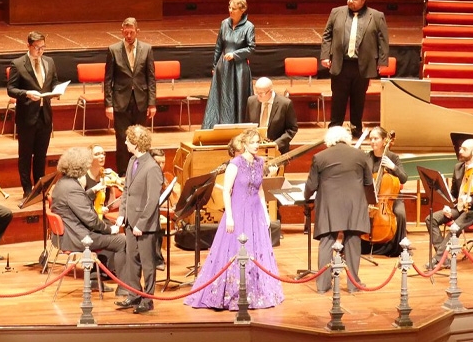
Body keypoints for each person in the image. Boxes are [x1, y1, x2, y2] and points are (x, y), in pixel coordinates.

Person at [185, 128, 284, 310]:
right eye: (253, 142)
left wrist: (266, 213)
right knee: (235, 250)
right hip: (238, 211)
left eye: (258, 142)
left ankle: (256, 291)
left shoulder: (260, 162)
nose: (256, 146)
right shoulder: (234, 164)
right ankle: (232, 292)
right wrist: (229, 216)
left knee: (256, 249)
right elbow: (226, 191)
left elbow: (260, 190)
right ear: (245, 144)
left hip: (255, 211)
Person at [51, 146, 128, 294]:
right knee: (121, 240)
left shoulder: (63, 183)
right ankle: (124, 288)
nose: (88, 166)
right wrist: (110, 229)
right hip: (77, 237)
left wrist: (92, 191)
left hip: (69, 234)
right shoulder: (72, 188)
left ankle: (94, 278)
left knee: (109, 234)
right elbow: (91, 220)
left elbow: (80, 203)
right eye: (86, 164)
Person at [305, 126, 372, 293]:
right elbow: (368, 182)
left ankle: (322, 286)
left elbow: (312, 185)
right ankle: (353, 285)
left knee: (327, 242)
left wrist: (306, 196)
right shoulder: (361, 155)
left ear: (329, 140)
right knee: (353, 242)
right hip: (354, 204)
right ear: (346, 138)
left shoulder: (319, 157)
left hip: (329, 205)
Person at [320, 0, 389, 139]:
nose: (349, 0)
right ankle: (335, 129)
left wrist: (383, 61)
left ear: (363, 0)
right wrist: (325, 55)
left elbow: (383, 40)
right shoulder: (336, 12)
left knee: (358, 98)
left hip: (362, 65)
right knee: (338, 98)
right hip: (341, 63)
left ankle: (356, 128)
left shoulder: (376, 16)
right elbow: (327, 35)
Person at [115, 125, 165, 314]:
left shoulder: (152, 167)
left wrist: (141, 224)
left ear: (135, 143)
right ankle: (134, 294)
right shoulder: (131, 162)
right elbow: (127, 190)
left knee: (147, 263)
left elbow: (153, 200)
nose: (125, 142)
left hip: (145, 225)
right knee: (132, 260)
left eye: (128, 140)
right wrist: (122, 215)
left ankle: (148, 299)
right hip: (130, 222)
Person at [426, 138, 473, 267]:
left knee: (455, 227)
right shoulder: (458, 167)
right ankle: (443, 258)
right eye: (460, 148)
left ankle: (438, 259)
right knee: (431, 219)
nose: (460, 151)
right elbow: (453, 192)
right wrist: (448, 205)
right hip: (459, 208)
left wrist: (470, 199)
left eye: (464, 149)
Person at [8, 31, 59, 196]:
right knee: (25, 156)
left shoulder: (49, 62)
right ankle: (27, 189)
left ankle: (39, 187)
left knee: (41, 155)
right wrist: (26, 94)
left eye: (43, 47)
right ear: (29, 46)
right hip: (27, 117)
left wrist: (57, 91)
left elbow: (54, 82)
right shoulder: (18, 64)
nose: (40, 51)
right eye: (37, 48)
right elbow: (11, 89)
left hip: (45, 116)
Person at [105, 17, 156, 174]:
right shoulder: (113, 50)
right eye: (126, 32)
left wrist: (152, 103)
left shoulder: (147, 49)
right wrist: (108, 104)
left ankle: (140, 172)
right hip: (120, 101)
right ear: (122, 31)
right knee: (122, 140)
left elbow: (151, 78)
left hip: (141, 100)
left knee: (140, 139)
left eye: (131, 32)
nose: (128, 36)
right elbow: (108, 80)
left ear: (137, 32)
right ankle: (122, 174)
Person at [201, 0, 255, 128]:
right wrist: (215, 66)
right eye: (229, 7)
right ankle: (219, 126)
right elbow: (219, 46)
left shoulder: (249, 27)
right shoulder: (224, 23)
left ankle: (239, 126)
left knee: (238, 97)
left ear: (242, 10)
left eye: (234, 8)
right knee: (222, 97)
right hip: (223, 66)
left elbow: (251, 48)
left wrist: (235, 54)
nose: (230, 10)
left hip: (239, 68)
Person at [363, 126, 407, 257]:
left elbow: (404, 178)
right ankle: (362, 244)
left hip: (390, 197)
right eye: (371, 139)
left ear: (384, 141)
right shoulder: (367, 157)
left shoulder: (393, 157)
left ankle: (394, 248)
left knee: (400, 213)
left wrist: (393, 167)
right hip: (371, 196)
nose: (372, 142)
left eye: (376, 138)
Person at [246, 78, 298, 154]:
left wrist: (277, 144)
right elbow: (248, 125)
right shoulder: (251, 101)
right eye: (257, 92)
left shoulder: (285, 104)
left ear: (270, 91)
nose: (258, 96)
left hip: (277, 150)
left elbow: (292, 129)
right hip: (255, 149)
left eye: (261, 93)